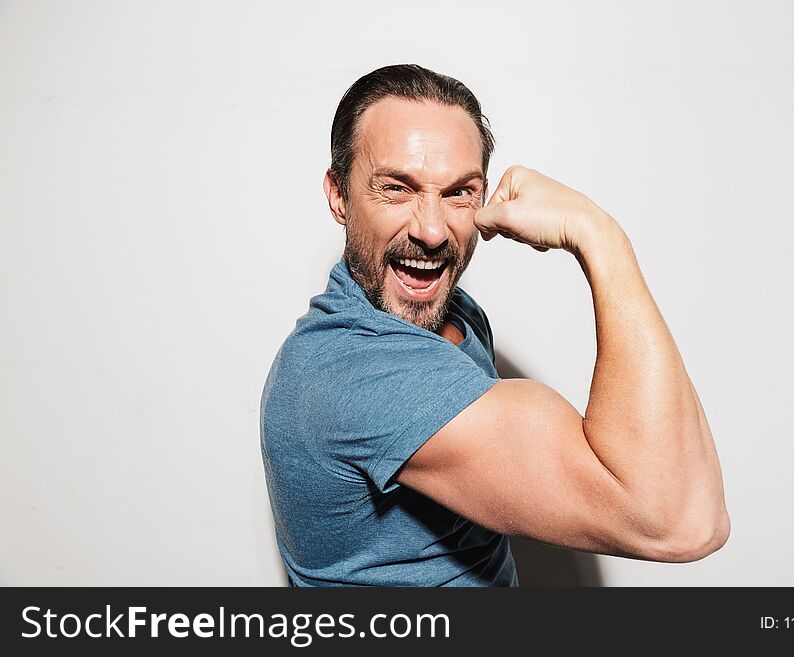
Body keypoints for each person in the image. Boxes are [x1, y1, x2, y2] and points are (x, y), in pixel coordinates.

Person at [260, 64, 730, 587]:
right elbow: (681, 521)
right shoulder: (353, 372)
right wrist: (600, 236)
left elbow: (691, 489)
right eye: (397, 189)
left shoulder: (455, 312)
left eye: (459, 192)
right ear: (339, 196)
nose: (433, 230)